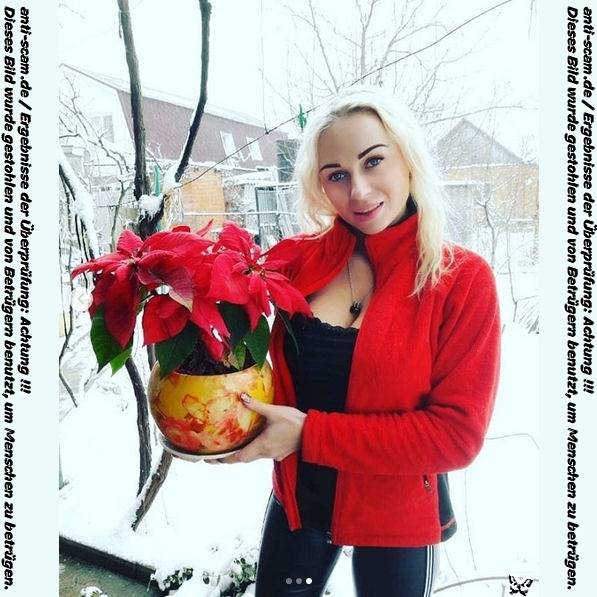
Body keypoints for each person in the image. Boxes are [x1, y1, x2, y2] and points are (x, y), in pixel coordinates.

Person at [206, 85, 502, 597]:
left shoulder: (462, 280)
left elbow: (456, 435)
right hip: (301, 500)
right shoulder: (299, 260)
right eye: (337, 174)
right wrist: (200, 419)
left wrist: (309, 435)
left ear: (407, 159)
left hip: (396, 514)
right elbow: (216, 314)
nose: (359, 191)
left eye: (373, 161)